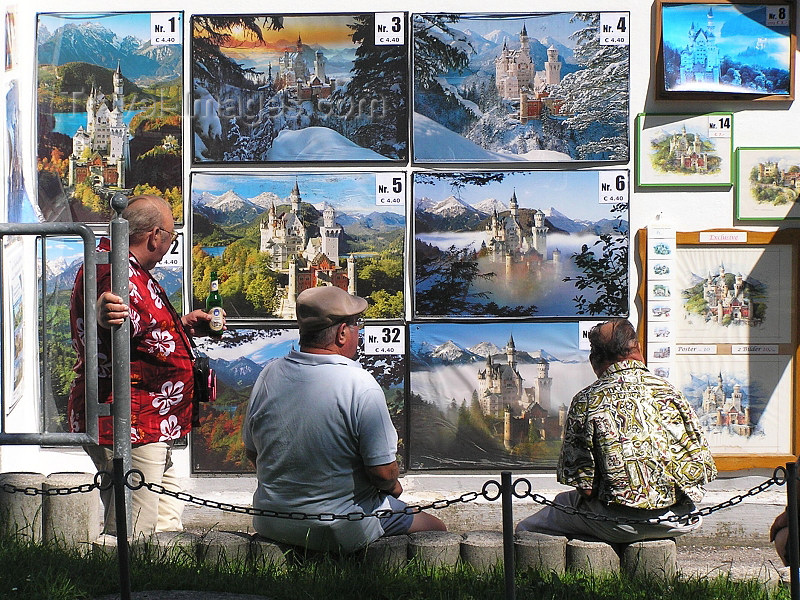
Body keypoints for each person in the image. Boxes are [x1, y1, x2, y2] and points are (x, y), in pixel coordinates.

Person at [242, 286, 446, 553]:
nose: (358, 331)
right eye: (356, 324)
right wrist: (393, 487)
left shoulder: (269, 374)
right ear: (341, 333)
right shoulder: (360, 383)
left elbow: (252, 453)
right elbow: (382, 472)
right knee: (437, 529)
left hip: (273, 521)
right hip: (341, 528)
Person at [68, 194, 218, 536]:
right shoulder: (113, 271)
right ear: (155, 236)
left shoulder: (120, 265)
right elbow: (113, 314)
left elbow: (135, 329)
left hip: (148, 421)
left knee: (164, 522)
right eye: (171, 238)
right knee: (133, 530)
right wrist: (104, 315)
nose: (168, 246)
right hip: (130, 421)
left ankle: (159, 584)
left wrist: (179, 324)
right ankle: (119, 587)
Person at [516, 318, 717, 544]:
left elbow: (585, 487)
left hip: (617, 522)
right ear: (638, 351)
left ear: (596, 359)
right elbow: (702, 469)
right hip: (680, 518)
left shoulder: (587, 400)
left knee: (528, 528)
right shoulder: (671, 393)